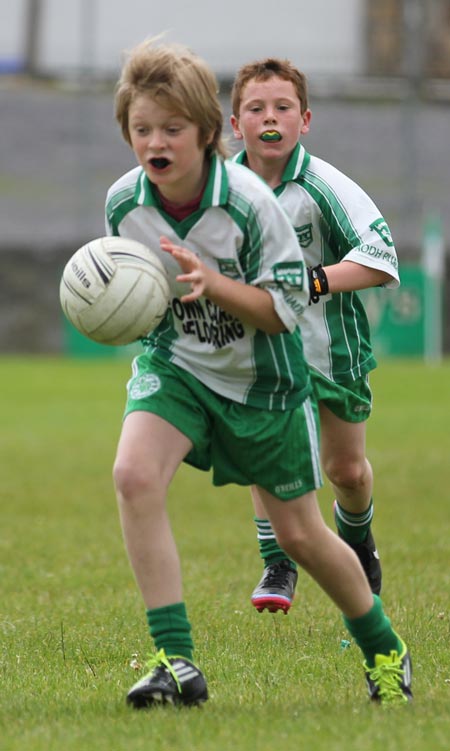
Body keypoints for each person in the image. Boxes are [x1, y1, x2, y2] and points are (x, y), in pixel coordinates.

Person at [106, 38, 412, 709]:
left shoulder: (250, 204)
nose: (155, 142)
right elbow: (147, 293)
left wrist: (212, 284)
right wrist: (113, 304)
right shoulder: (124, 202)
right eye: (141, 129)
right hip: (179, 366)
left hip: (263, 384)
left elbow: (280, 313)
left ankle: (384, 645)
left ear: (208, 133)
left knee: (302, 534)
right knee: (133, 474)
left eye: (173, 129)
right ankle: (174, 659)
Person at [230, 58, 400, 616]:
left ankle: (358, 542)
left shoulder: (325, 185)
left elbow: (379, 259)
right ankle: (278, 557)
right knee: (268, 455)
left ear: (305, 120)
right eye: (256, 109)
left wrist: (313, 280)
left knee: (345, 471)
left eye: (282, 108)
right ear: (236, 124)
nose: (269, 118)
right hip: (263, 352)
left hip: (335, 351)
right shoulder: (222, 191)